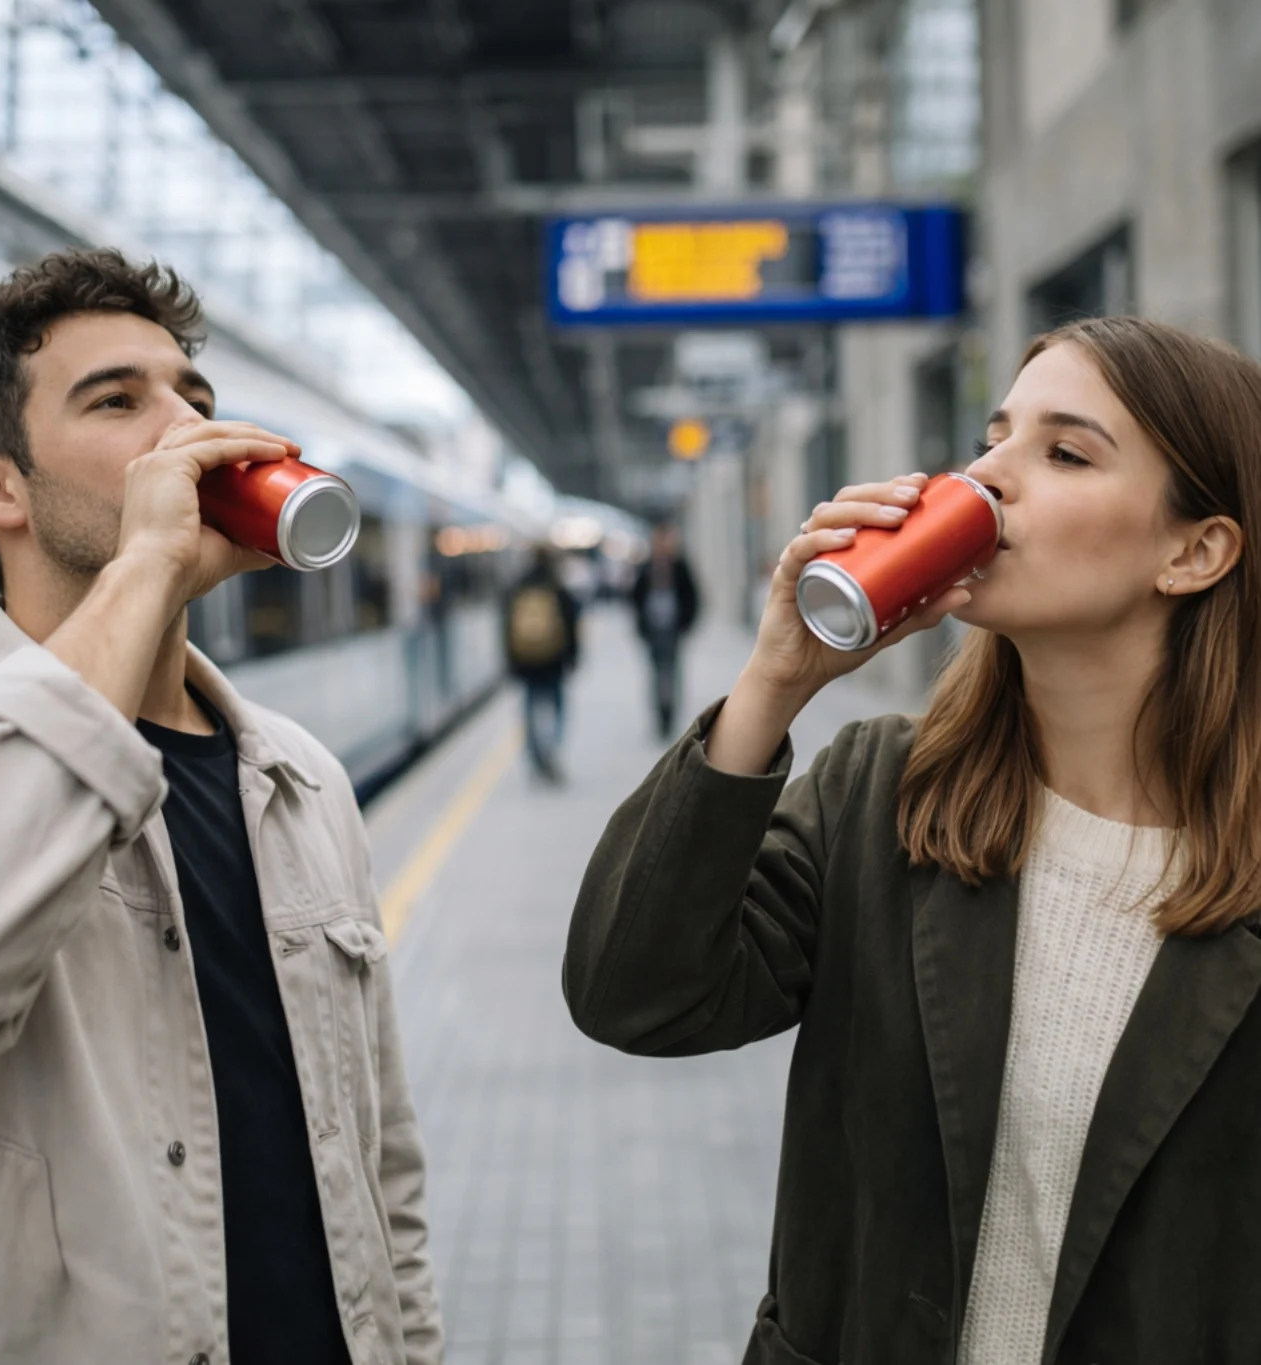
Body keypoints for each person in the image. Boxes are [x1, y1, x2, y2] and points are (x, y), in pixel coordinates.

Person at [565, 317, 1261, 1364]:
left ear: (1193, 551)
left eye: (1064, 454)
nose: (985, 475)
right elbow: (634, 991)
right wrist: (775, 683)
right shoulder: (881, 793)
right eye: (994, 438)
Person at [0, 249, 442, 1365]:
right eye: (117, 401)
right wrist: (147, 562)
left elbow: (383, 1165)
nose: (185, 426)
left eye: (194, 396)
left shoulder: (298, 777)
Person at [505, 544, 579, 783]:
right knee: (556, 706)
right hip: (554, 660)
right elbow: (571, 624)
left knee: (530, 706)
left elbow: (507, 626)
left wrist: (511, 660)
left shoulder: (518, 586)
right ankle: (552, 749)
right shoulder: (557, 587)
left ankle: (535, 754)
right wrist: (573, 657)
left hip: (526, 661)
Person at [631, 521, 700, 738]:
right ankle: (659, 715)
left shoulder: (679, 567)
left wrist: (686, 624)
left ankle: (670, 714)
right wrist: (641, 626)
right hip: (653, 630)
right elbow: (635, 597)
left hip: (673, 629)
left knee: (671, 672)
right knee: (656, 673)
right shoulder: (646, 567)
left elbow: (692, 596)